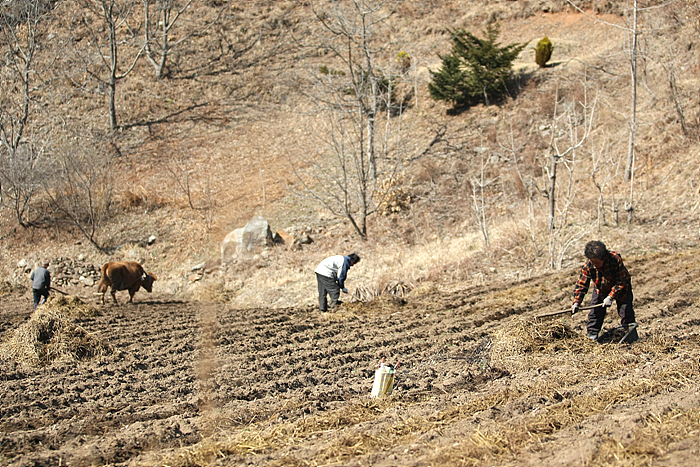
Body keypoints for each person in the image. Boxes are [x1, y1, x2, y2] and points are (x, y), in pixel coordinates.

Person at [571, 241, 636, 341]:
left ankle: (630, 337)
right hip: (601, 288)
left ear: (603, 258)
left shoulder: (615, 259)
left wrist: (610, 297)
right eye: (592, 262)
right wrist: (576, 302)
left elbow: (621, 282)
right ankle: (592, 336)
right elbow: (581, 285)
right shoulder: (588, 266)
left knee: (626, 311)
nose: (594, 265)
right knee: (595, 313)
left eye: (597, 263)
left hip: (621, 287)